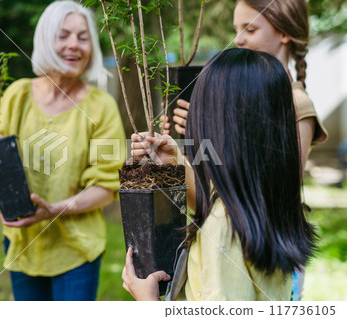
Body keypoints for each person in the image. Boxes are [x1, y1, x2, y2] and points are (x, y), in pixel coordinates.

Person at [161, 0, 328, 299]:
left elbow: (266, 192)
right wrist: (186, 149)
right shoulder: (245, 89)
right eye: (236, 28)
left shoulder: (295, 104)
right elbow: (220, 193)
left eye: (249, 29)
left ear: (285, 34)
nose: (237, 39)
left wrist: (206, 127)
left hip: (259, 248)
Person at [122, 48, 317, 301]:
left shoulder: (223, 228)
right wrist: (177, 163)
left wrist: (148, 303)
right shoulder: (267, 200)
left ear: (215, 126)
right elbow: (214, 201)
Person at [0, 0, 126, 301]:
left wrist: (54, 210)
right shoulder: (17, 95)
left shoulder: (100, 107)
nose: (74, 46)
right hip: (23, 243)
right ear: (45, 41)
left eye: (83, 36)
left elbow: (106, 186)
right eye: (63, 35)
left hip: (77, 249)